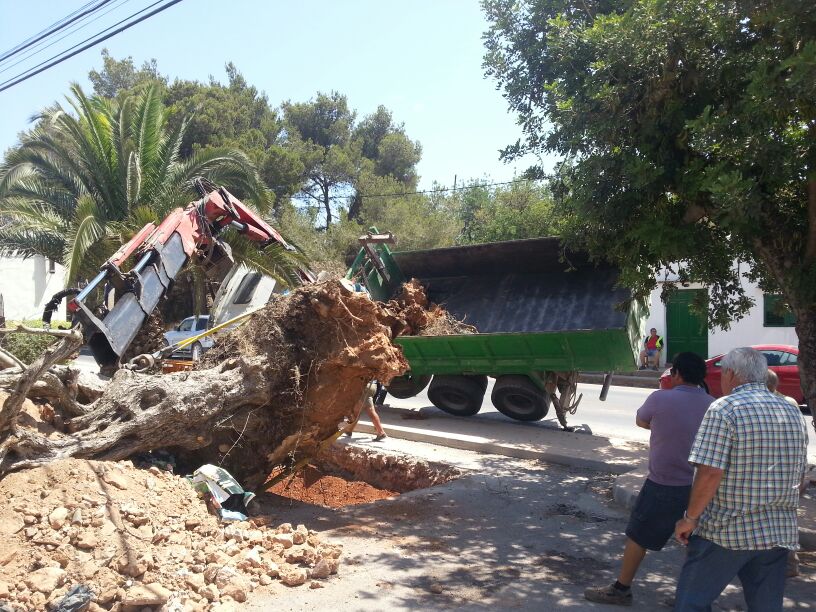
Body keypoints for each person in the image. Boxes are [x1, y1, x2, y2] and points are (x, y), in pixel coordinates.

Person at [673, 347, 808, 612]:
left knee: (692, 603)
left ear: (731, 374)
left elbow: (710, 472)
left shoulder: (724, 408)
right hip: (777, 530)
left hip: (726, 531)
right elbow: (799, 471)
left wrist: (689, 518)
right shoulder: (791, 410)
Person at [584, 352, 714, 606]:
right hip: (698, 486)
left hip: (663, 484)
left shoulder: (660, 398)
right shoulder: (712, 403)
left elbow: (641, 420)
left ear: (676, 373)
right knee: (695, 543)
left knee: (637, 537)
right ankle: (691, 599)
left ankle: (621, 589)